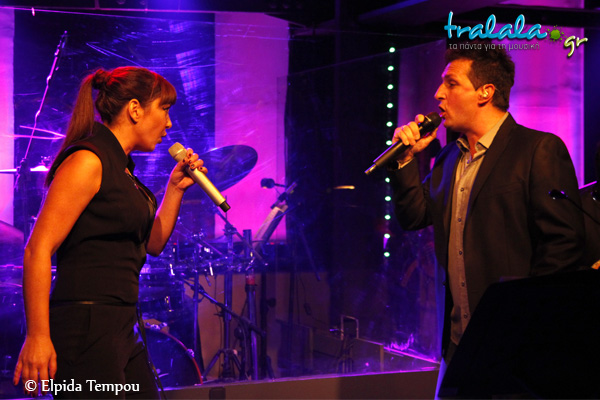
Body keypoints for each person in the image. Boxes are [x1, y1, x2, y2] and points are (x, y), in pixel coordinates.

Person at [390, 46, 584, 378]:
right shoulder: (449, 157)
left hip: (515, 347)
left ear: (485, 92)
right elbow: (414, 216)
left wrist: (522, 320)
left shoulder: (537, 149)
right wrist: (405, 160)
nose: (438, 94)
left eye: (451, 83)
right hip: (458, 345)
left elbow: (563, 246)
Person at [12, 66, 205, 398]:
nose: (169, 123)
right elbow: (37, 248)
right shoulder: (89, 160)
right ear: (135, 109)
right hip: (86, 327)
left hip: (121, 326)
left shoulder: (122, 170)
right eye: (164, 109)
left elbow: (153, 243)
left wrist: (175, 189)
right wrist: (38, 337)